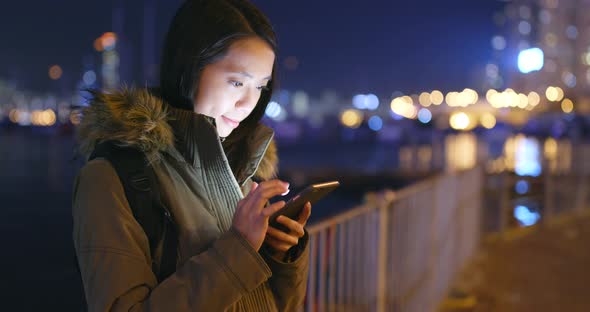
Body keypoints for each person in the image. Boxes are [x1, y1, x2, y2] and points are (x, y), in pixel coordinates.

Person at [72, 0, 311, 311]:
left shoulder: (245, 168)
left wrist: (281, 256)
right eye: (236, 81)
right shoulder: (113, 176)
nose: (248, 103)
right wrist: (239, 249)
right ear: (188, 67)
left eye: (261, 87)